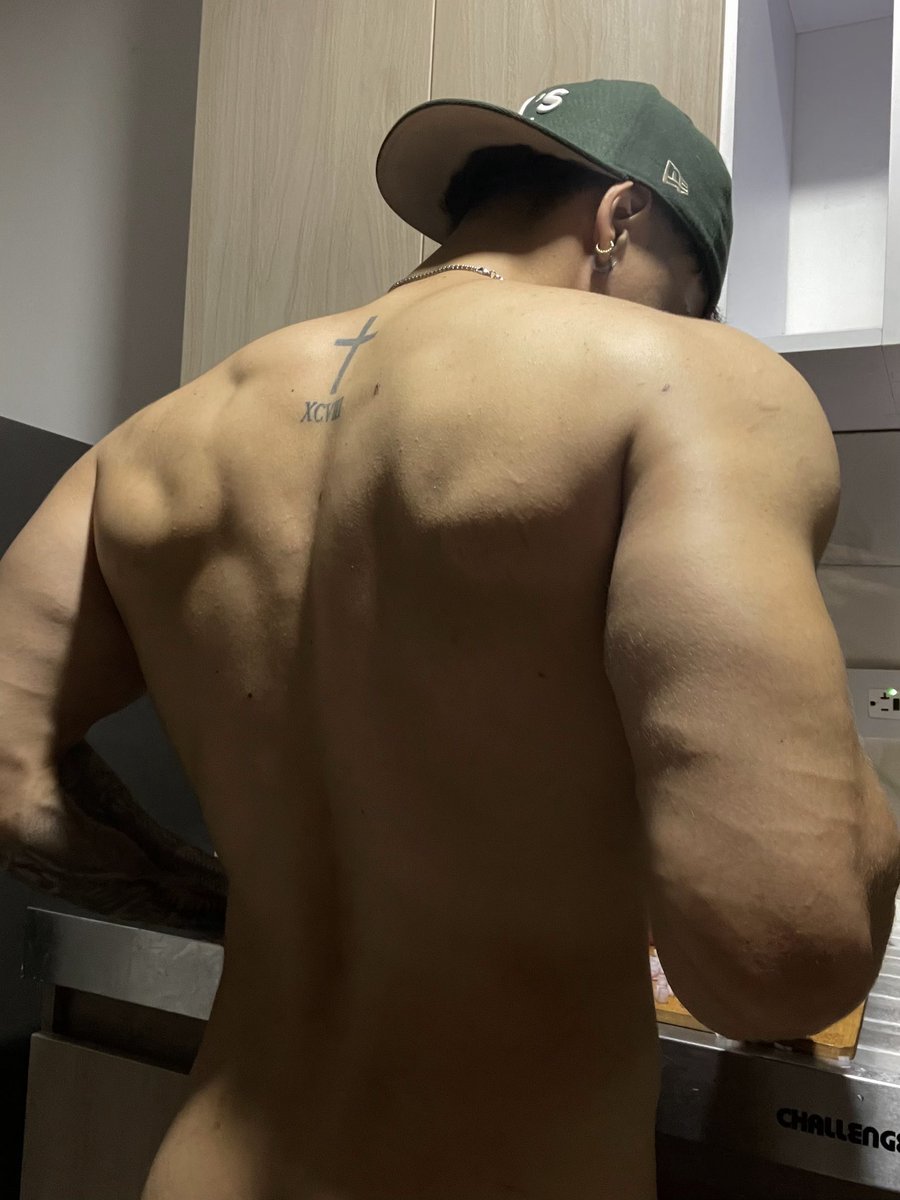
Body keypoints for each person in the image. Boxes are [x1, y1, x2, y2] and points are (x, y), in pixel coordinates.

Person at [0, 78, 897, 1200]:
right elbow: (779, 965)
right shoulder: (692, 381)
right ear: (620, 218)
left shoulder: (152, 440)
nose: (692, 328)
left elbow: (9, 779)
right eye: (693, 296)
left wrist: (214, 902)